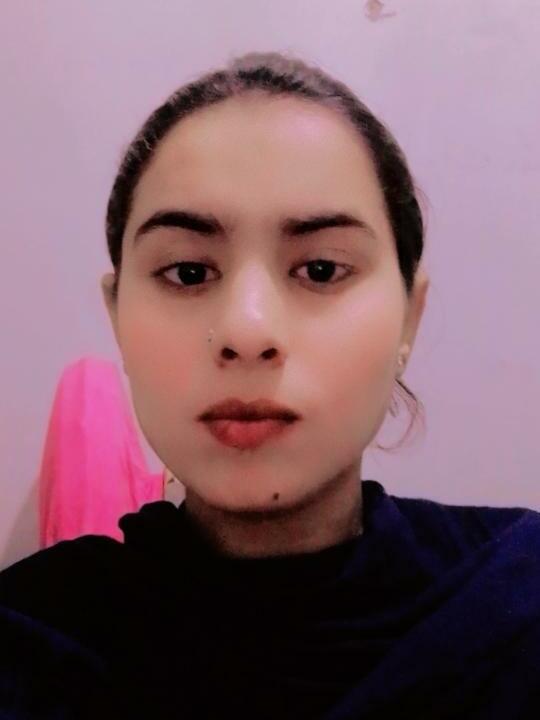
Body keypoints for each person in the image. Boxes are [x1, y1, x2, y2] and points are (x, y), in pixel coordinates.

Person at [1, 50, 539, 720]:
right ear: (118, 317)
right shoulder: (30, 643)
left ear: (410, 316)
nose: (247, 330)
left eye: (320, 269)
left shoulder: (517, 601)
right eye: (189, 273)